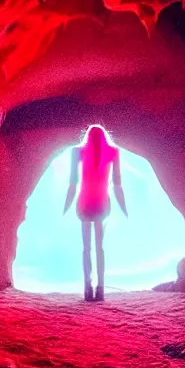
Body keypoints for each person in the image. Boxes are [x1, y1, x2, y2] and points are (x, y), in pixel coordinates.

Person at [63, 125, 128, 302]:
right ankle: (100, 289)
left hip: (84, 202)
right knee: (100, 248)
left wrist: (66, 205)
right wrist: (123, 207)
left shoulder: (77, 152)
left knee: (86, 249)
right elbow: (117, 184)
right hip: (101, 202)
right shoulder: (113, 152)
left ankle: (87, 288)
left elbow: (72, 183)